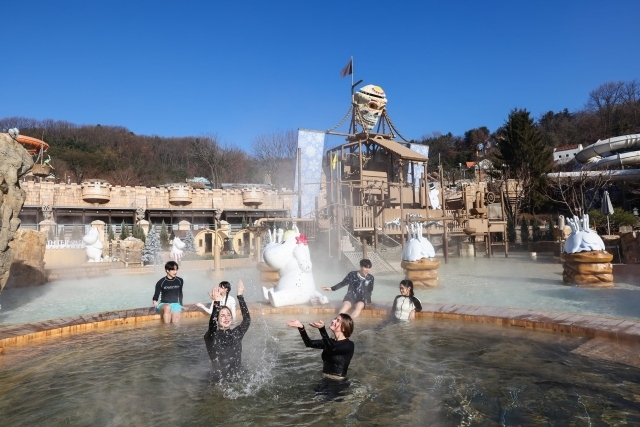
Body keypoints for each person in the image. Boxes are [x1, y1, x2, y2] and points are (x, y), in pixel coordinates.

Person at [204, 279, 250, 381]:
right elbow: (212, 325)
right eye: (223, 315)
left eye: (229, 315)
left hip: (238, 378)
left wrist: (240, 296)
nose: (226, 318)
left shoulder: (236, 333)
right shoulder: (211, 336)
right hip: (219, 380)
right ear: (217, 318)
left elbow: (247, 320)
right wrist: (216, 303)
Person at [286, 313, 355, 380]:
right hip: (324, 379)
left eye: (337, 320)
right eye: (335, 319)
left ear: (344, 328)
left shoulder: (349, 345)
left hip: (338, 383)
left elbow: (332, 349)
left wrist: (322, 329)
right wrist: (301, 327)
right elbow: (309, 343)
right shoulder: (329, 342)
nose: (333, 321)